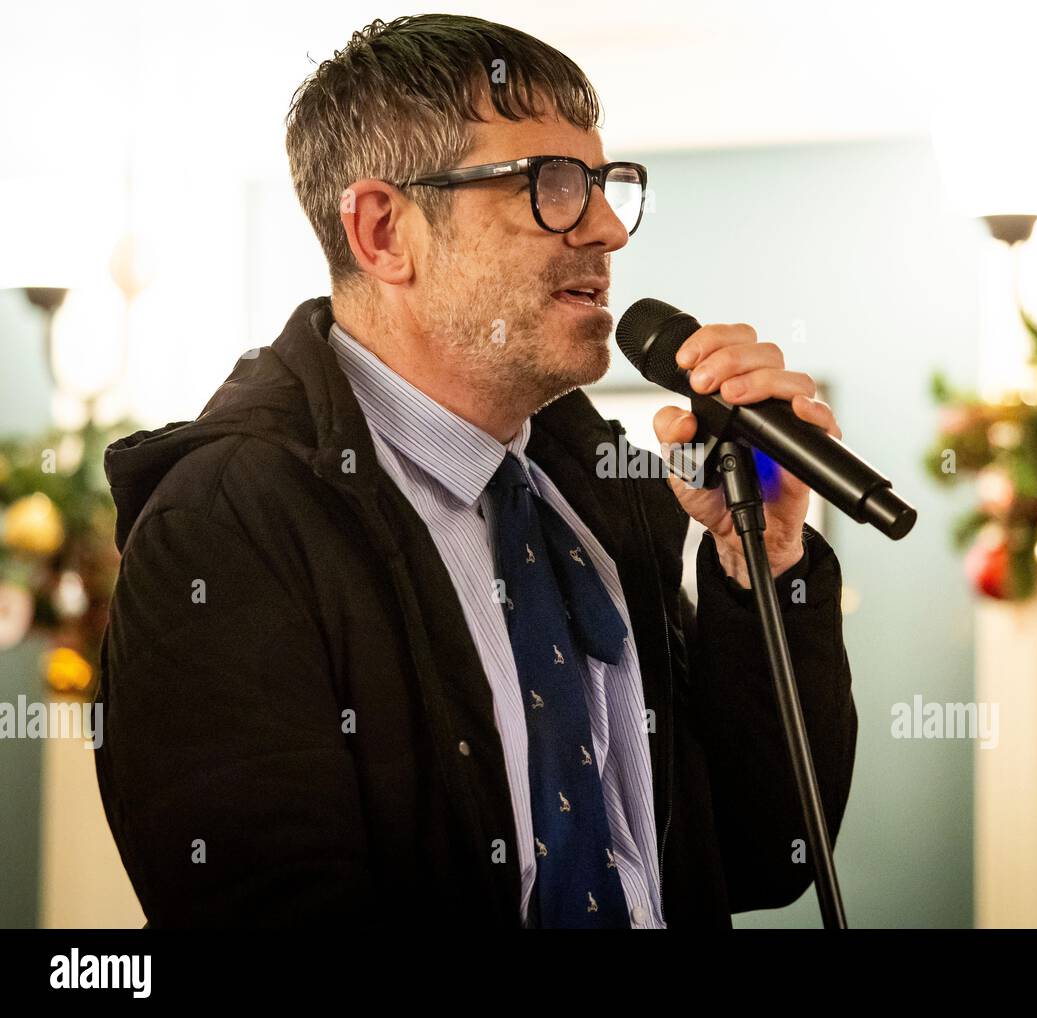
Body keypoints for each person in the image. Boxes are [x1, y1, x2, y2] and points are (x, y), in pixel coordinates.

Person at [94, 13, 857, 929]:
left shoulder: (600, 499)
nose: (610, 229)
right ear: (384, 232)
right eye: (555, 186)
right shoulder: (226, 526)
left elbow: (762, 854)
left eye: (608, 184)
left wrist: (758, 563)